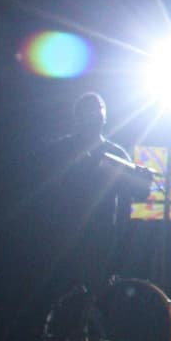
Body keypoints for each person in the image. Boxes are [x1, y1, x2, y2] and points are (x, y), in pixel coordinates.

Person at [47, 91, 154, 294]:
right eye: (87, 114)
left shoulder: (115, 155)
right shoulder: (61, 150)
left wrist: (142, 179)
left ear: (102, 118)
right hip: (60, 239)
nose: (91, 119)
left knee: (89, 304)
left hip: (97, 242)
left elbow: (139, 193)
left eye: (95, 114)